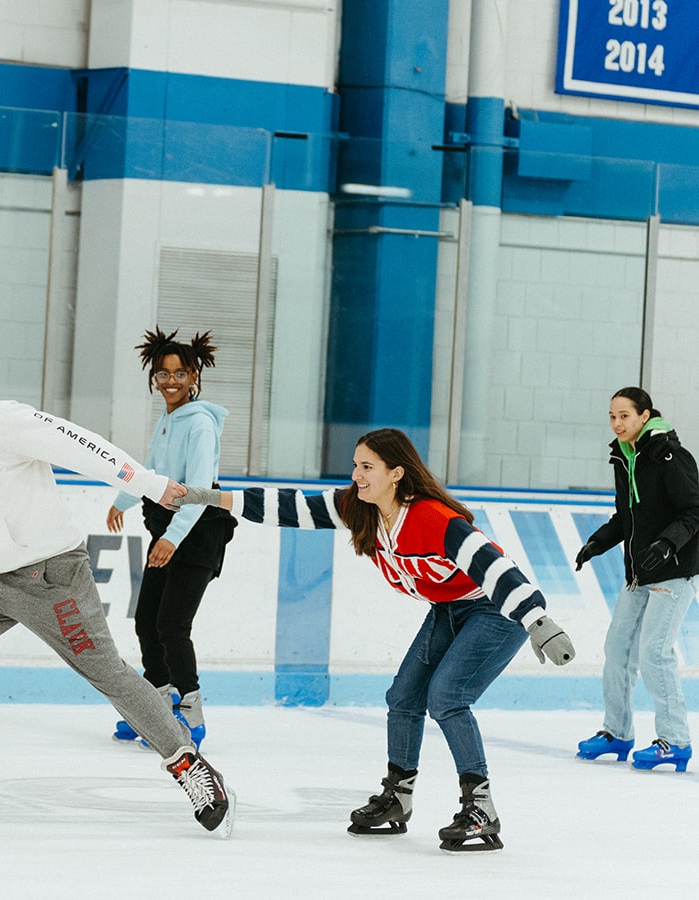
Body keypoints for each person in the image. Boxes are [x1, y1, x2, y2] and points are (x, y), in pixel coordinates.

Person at [0, 315, 234, 836]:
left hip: (48, 575)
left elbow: (79, 444)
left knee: (108, 674)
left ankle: (190, 765)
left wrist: (147, 483)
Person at [174, 427, 574, 852]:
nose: (357, 475)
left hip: (496, 611)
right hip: (449, 609)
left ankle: (481, 808)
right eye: (355, 466)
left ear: (396, 473)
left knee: (447, 697)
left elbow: (493, 566)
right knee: (403, 696)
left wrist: (537, 620)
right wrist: (209, 497)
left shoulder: (432, 518)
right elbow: (288, 506)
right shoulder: (361, 509)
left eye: (367, 467)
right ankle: (397, 798)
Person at [107, 328, 236, 749]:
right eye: (163, 374)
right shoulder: (170, 419)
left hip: (196, 534)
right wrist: (124, 500)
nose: (171, 381)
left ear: (194, 375)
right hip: (169, 529)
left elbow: (198, 488)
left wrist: (173, 538)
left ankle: (190, 717)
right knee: (147, 621)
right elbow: (153, 470)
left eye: (180, 373)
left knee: (171, 625)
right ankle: (158, 711)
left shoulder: (199, 424)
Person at [575, 387, 699, 773]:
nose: (617, 423)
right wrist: (598, 542)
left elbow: (694, 511)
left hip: (675, 570)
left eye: (625, 416)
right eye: (612, 416)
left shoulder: (669, 456)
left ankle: (675, 740)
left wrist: (667, 544)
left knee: (654, 653)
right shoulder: (624, 458)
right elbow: (626, 518)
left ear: (645, 415)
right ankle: (617, 732)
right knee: (618, 650)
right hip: (639, 573)